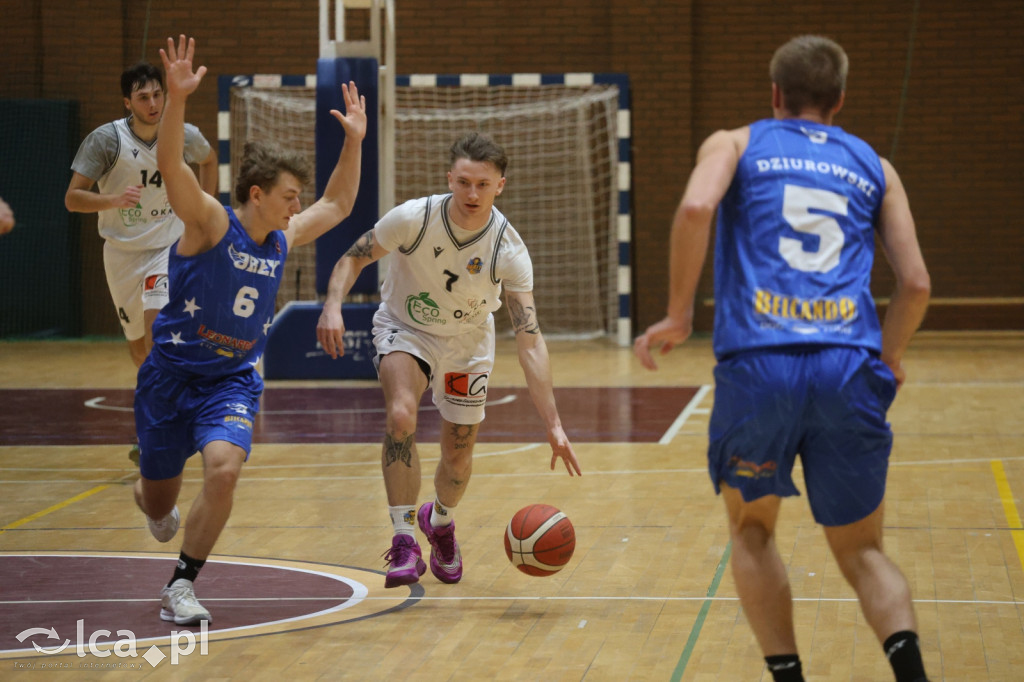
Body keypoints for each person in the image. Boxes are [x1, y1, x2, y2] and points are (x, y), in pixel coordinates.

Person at [633, 36, 931, 682]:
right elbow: (915, 284)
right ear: (840, 101)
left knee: (753, 532)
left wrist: (681, 313)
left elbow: (694, 207)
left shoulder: (736, 143)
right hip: (848, 365)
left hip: (759, 364)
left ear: (774, 95)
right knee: (862, 551)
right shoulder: (875, 165)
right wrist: (892, 356)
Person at [133, 34, 365, 626]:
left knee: (225, 468)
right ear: (257, 195)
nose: (297, 205)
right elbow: (168, 165)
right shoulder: (211, 222)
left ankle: (181, 585)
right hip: (168, 378)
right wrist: (179, 99)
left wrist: (355, 142)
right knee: (158, 501)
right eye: (289, 197)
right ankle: (150, 498)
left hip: (230, 381)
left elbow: (338, 205)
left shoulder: (282, 236)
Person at [317, 131, 581, 589]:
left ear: (501, 185)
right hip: (406, 329)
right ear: (449, 179)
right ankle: (403, 539)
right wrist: (333, 305)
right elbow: (352, 257)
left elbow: (531, 340)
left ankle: (439, 522)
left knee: (457, 459)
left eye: (482, 184)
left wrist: (554, 424)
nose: (471, 193)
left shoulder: (508, 250)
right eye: (463, 182)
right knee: (401, 414)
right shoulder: (414, 218)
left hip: (468, 344)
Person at [66, 60, 218, 463]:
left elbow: (209, 159)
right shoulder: (105, 141)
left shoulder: (182, 134)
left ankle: (157, 430)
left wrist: (202, 210)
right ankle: (172, 409)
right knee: (139, 352)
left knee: (155, 340)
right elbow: (72, 198)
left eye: (157, 94)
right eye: (143, 97)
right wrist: (111, 200)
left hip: (167, 249)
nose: (152, 103)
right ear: (127, 102)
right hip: (120, 253)